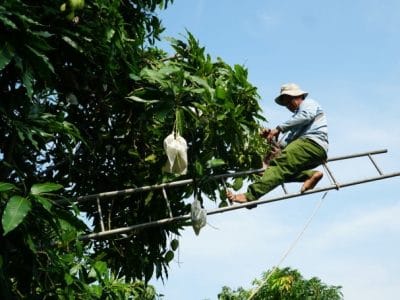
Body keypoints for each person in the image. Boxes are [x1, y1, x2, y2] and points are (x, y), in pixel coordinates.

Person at [227, 83, 328, 204]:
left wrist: (279, 128)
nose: (288, 106)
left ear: (297, 96)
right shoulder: (295, 122)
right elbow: (284, 144)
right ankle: (311, 175)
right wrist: (270, 139)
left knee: (279, 167)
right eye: (286, 104)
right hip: (313, 152)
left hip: (310, 144)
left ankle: (250, 195)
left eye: (289, 102)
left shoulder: (308, 103)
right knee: (281, 173)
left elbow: (306, 116)